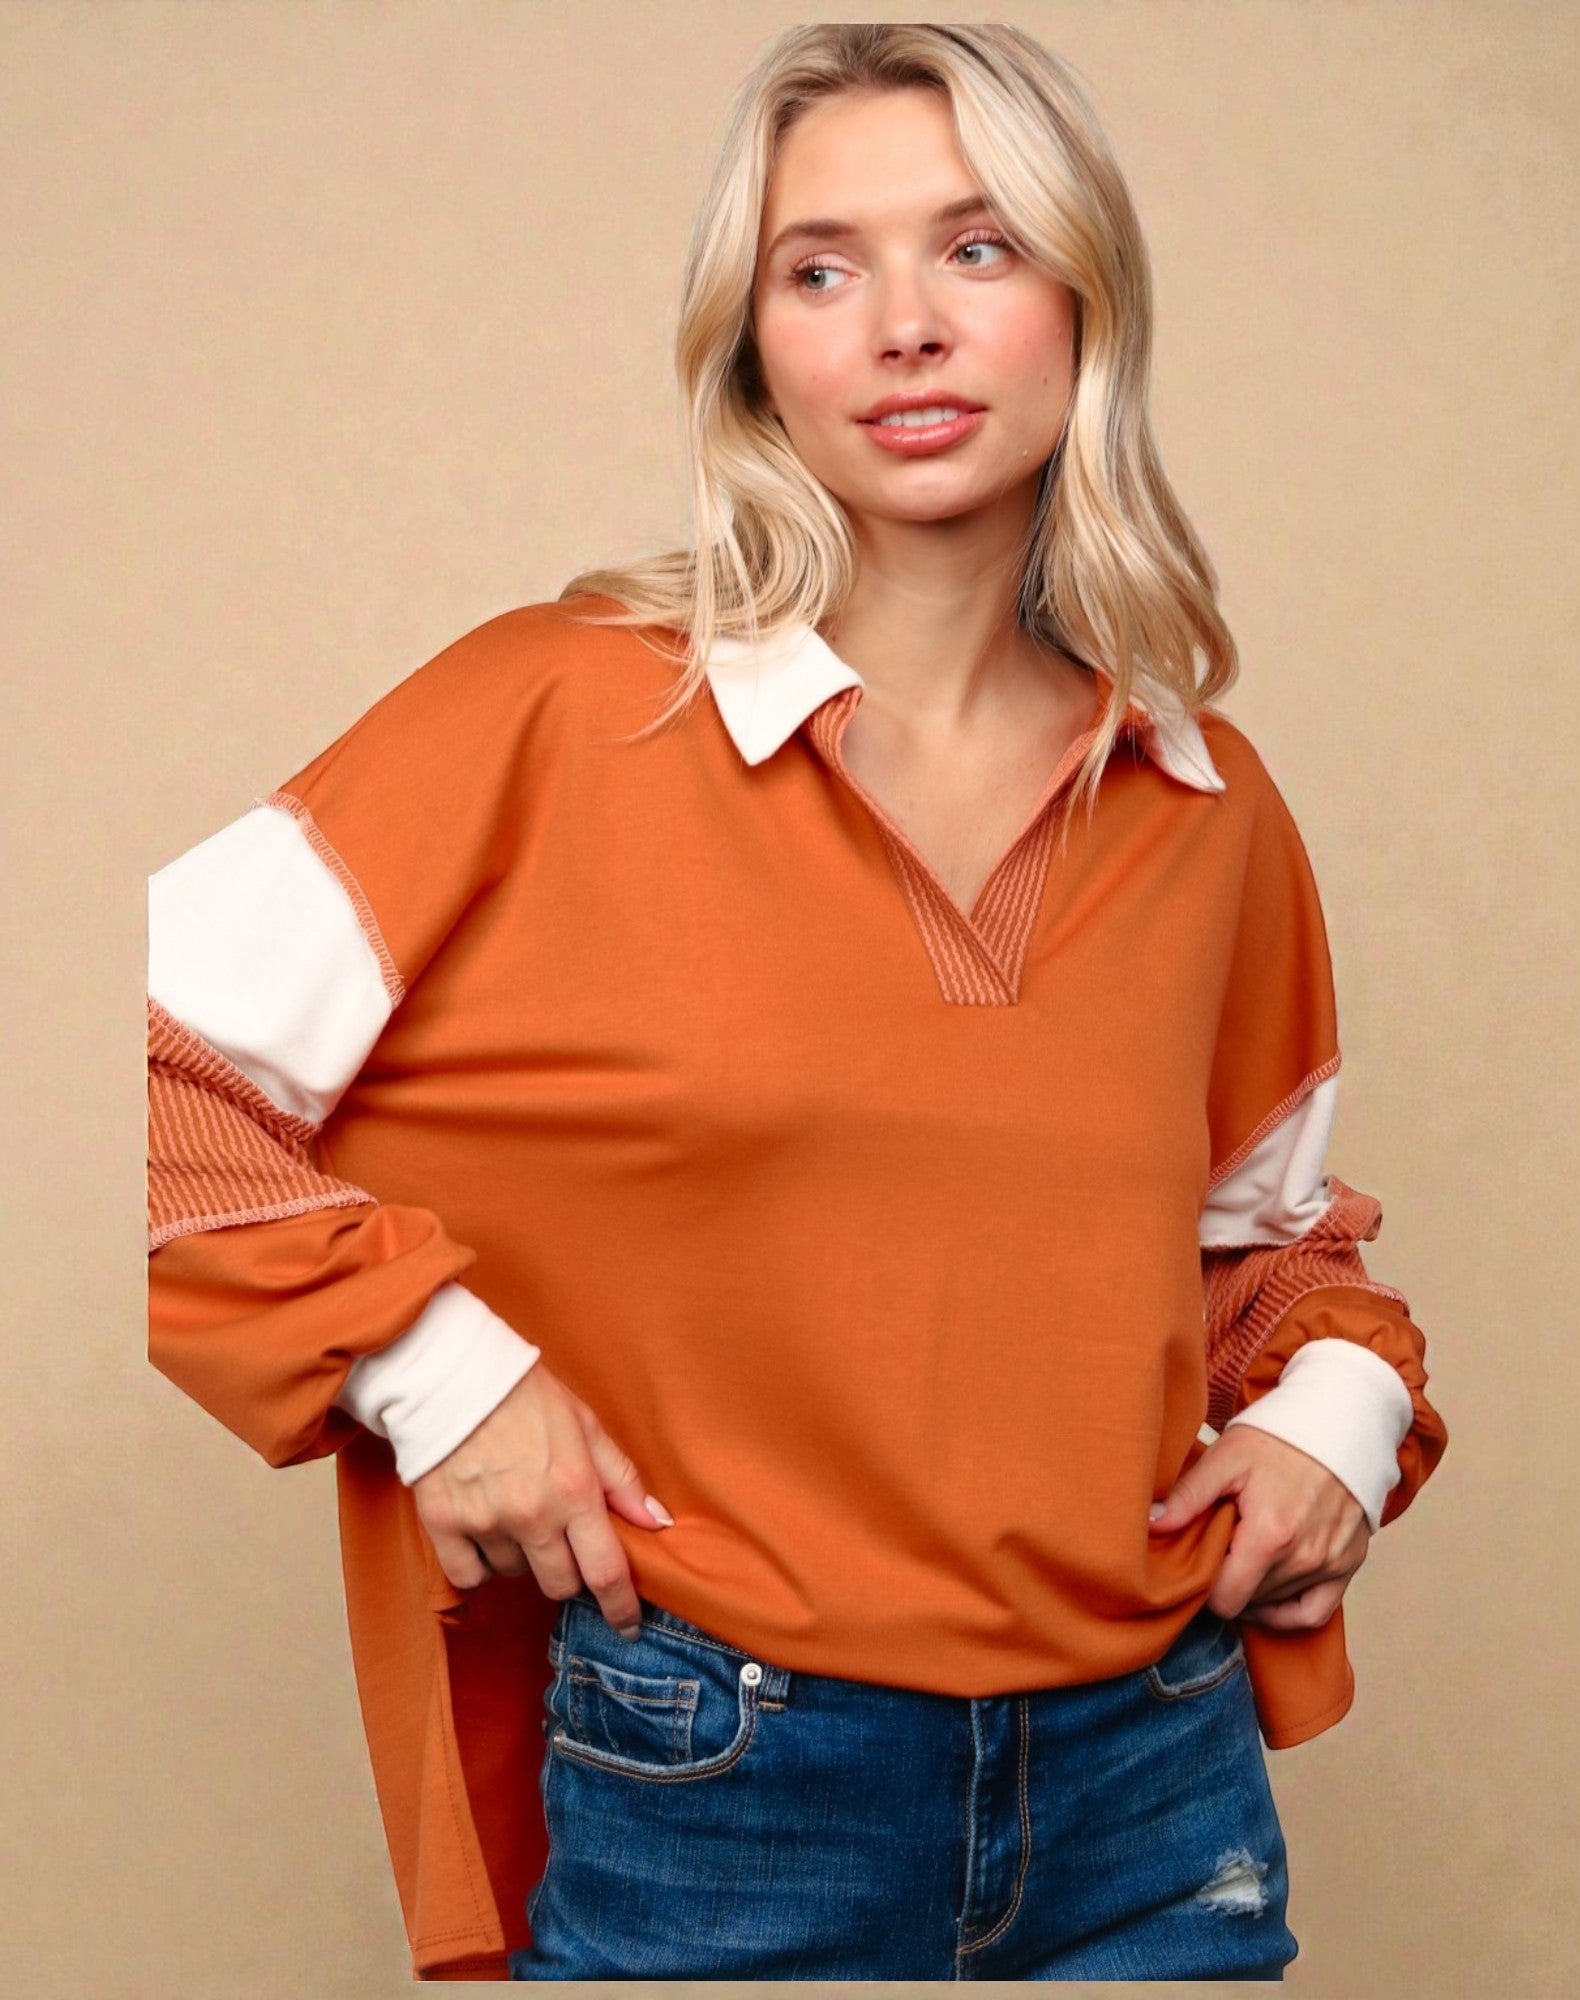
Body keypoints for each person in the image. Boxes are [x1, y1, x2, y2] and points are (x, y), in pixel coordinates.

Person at [145, 21, 1447, 1983]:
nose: (901, 324)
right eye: (819, 267)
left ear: (1085, 293)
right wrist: (438, 1367)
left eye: (976, 247)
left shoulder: (1200, 798)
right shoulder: (556, 707)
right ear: (755, 347)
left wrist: (1338, 1416)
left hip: (1152, 1791)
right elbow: (139, 1086)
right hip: (724, 1789)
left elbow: (1244, 1260)